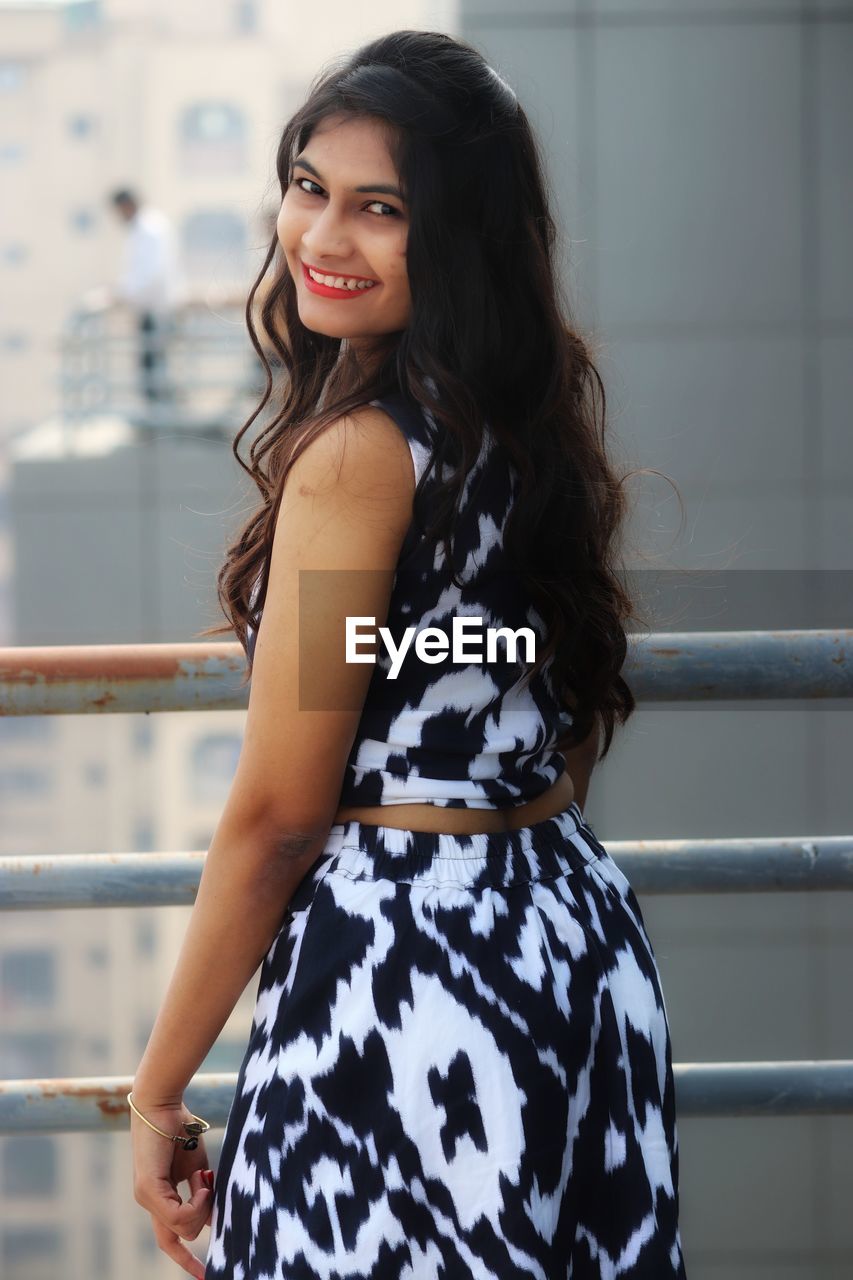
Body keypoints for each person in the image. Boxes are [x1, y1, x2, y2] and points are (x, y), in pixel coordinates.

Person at [127, 30, 687, 1280]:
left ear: (459, 236)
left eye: (379, 208)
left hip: (412, 991)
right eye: (309, 186)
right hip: (566, 944)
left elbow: (277, 812)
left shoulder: (356, 461)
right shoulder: (520, 425)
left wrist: (157, 1090)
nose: (322, 238)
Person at [104, 187, 186, 406]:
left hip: (157, 308)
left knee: (155, 365)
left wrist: (122, 292)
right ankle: (160, 413)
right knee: (153, 364)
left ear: (126, 205)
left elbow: (152, 274)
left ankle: (160, 417)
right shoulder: (147, 227)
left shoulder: (150, 229)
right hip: (152, 307)